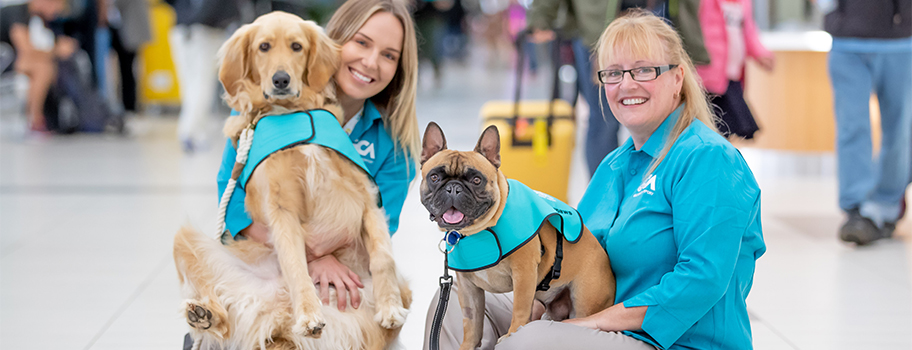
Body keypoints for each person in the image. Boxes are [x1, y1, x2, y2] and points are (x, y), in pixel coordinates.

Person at [425, 10, 766, 350]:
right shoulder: (615, 165)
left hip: (676, 340)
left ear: (677, 77)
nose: (627, 84)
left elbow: (701, 280)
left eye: (644, 70)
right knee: (455, 302)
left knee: (528, 342)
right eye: (613, 73)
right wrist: (544, 307)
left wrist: (590, 323)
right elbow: (577, 252)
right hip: (599, 319)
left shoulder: (707, 159)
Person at [823, 0, 912, 245]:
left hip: (900, 41)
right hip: (846, 42)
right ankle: (857, 209)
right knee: (852, 127)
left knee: (899, 130)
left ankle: (885, 205)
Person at [527, 0, 619, 177]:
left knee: (657, 118)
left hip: (657, 23)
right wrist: (541, 17)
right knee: (604, 119)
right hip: (595, 33)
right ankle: (603, 193)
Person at [165, 0, 240, 152]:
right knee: (201, 84)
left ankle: (194, 132)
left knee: (190, 84)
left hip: (183, 29)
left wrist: (186, 15)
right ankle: (190, 133)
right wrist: (196, 19)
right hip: (204, 31)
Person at [696, 0, 774, 139]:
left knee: (729, 128)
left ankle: (724, 159)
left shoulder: (743, 3)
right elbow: (699, 31)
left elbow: (748, 31)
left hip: (731, 76)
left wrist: (761, 53)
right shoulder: (707, 2)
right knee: (713, 127)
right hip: (709, 79)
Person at [0, 0, 76, 132]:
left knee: (45, 66)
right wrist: (57, 49)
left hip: (11, 60)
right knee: (43, 67)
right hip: (4, 61)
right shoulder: (17, 13)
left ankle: (36, 119)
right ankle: (35, 120)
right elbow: (26, 50)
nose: (56, 14)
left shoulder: (37, 20)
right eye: (57, 8)